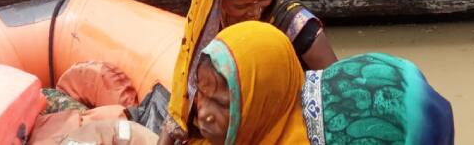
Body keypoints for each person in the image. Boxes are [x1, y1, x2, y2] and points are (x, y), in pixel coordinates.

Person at [160, 0, 338, 145]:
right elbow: (187, 84)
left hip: (281, 121)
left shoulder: (293, 23)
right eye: (242, 5)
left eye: (263, 0)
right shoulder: (208, 24)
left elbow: (336, 84)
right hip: (229, 125)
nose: (254, 12)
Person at [182, 20, 455, 145]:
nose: (201, 114)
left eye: (221, 103)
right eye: (202, 95)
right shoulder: (274, 114)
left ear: (258, 104)